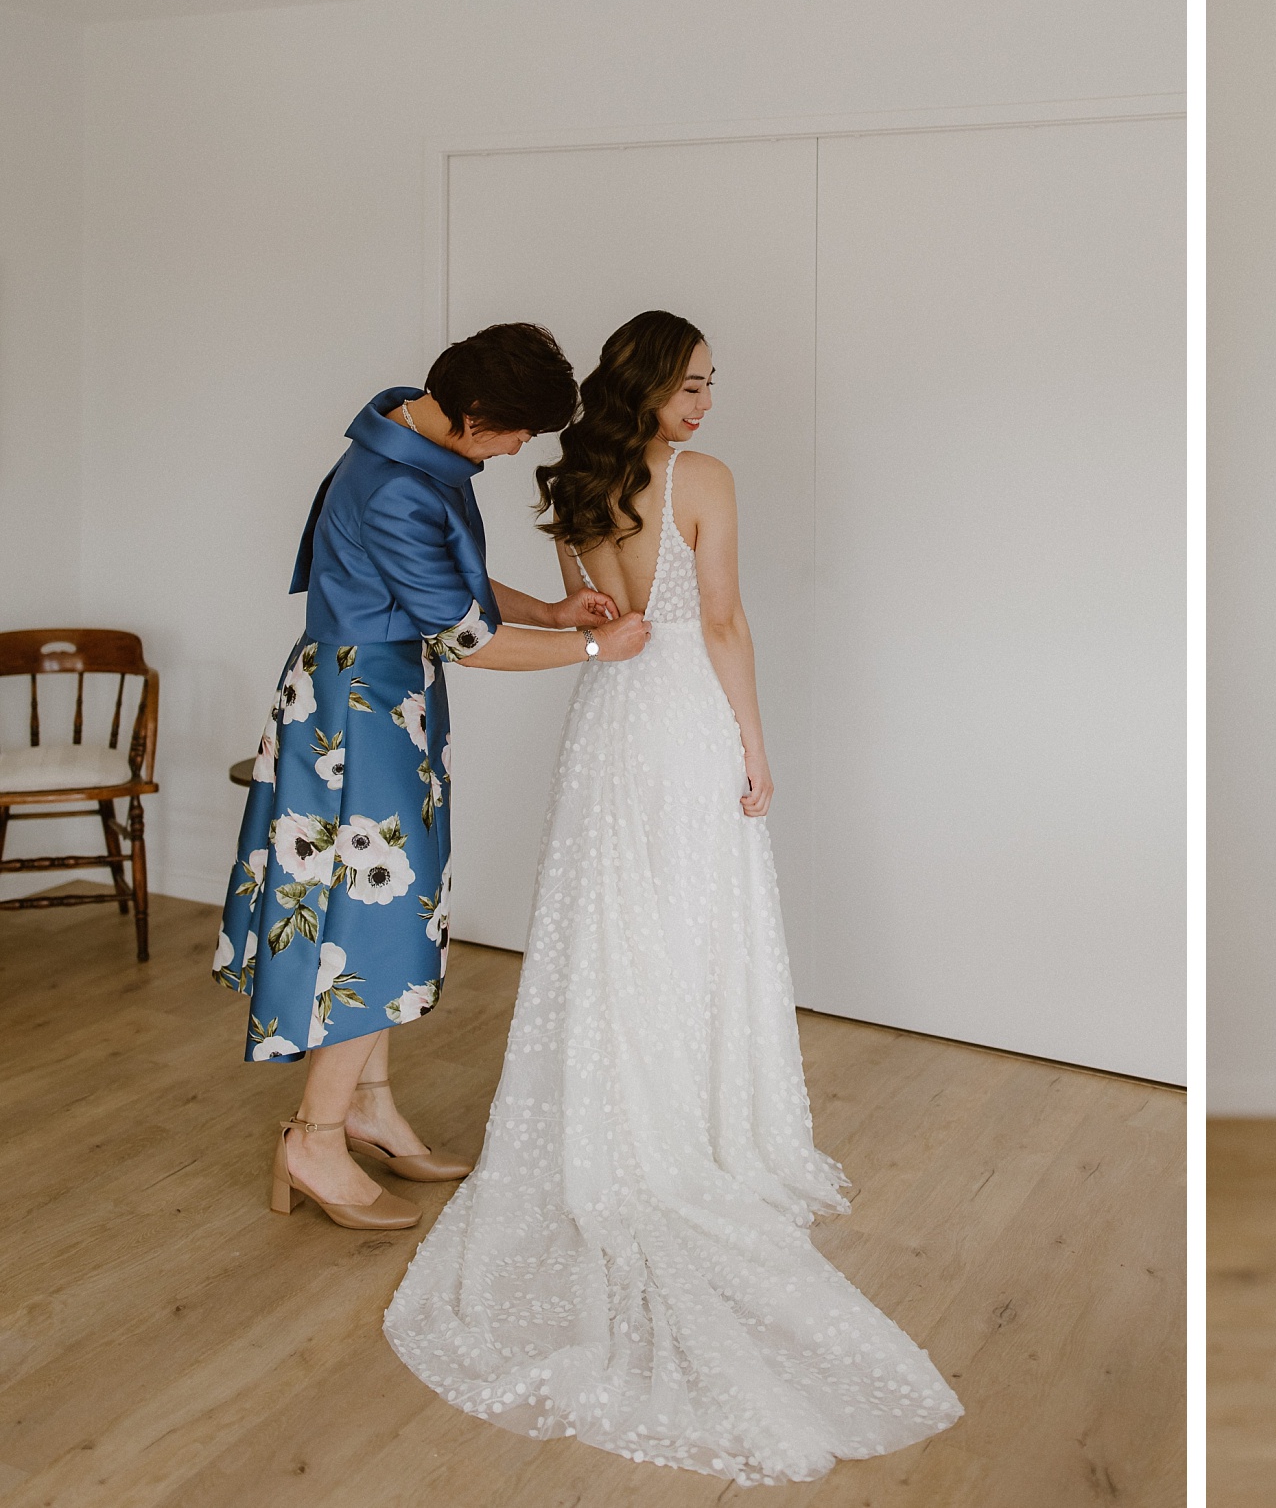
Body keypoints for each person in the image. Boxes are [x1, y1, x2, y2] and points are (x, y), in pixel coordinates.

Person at [384, 310, 963, 1483]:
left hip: (609, 718)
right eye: (693, 383)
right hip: (685, 712)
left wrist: (601, 620)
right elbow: (726, 621)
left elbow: (599, 612)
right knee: (693, 920)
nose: (705, 404)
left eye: (710, 386)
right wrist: (754, 739)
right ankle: (688, 1126)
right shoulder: (702, 478)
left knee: (612, 920)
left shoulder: (570, 474)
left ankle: (627, 1108)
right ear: (651, 386)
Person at [216, 323, 649, 1233]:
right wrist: (596, 643)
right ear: (473, 415)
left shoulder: (405, 446)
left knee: (388, 908)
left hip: (383, 704)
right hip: (357, 715)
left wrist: (554, 608)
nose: (517, 450)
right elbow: (470, 638)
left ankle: (366, 1106)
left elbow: (452, 590)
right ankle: (314, 1137)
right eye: (515, 433)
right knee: (364, 918)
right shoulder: (393, 485)